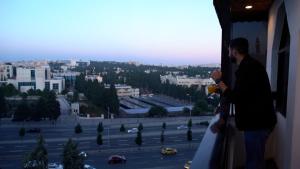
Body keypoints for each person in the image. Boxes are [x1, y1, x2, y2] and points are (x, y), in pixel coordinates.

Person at [211, 37, 277, 169]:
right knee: (256, 160)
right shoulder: (250, 66)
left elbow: (236, 98)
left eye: (229, 50)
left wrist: (219, 81)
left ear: (235, 51)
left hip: (257, 124)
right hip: (260, 122)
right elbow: (243, 95)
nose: (229, 54)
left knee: (254, 163)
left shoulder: (248, 69)